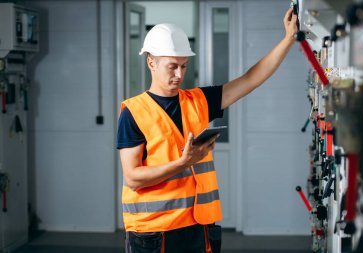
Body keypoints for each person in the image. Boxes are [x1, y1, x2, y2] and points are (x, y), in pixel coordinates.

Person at [117, 7, 298, 253]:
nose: (180, 74)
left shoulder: (198, 100)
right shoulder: (133, 112)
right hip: (153, 231)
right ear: (151, 62)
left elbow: (250, 79)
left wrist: (288, 39)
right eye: (172, 66)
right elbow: (133, 177)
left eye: (184, 65)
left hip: (198, 225)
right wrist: (183, 162)